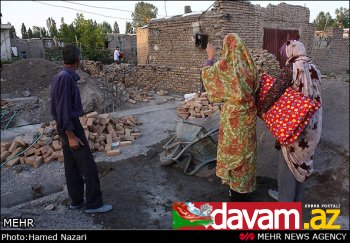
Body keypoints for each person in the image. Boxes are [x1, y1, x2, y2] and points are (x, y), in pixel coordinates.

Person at [50, 44, 112, 213]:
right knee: (88, 166)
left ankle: (76, 200)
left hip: (66, 126)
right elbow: (63, 109)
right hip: (69, 126)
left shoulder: (60, 76)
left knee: (71, 165)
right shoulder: (65, 79)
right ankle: (94, 204)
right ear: (78, 60)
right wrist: (71, 135)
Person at [260, 40, 322, 202]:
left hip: (295, 125)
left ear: (291, 52)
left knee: (288, 165)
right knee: (302, 165)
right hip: (313, 125)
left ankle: (285, 202)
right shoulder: (314, 68)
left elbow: (274, 94)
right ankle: (296, 199)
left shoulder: (291, 69)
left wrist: (262, 107)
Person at [201, 33, 259, 201]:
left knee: (233, 154)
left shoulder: (226, 67)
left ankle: (235, 196)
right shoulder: (250, 66)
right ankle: (244, 189)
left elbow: (207, 75)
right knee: (246, 154)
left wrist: (210, 57)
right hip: (248, 116)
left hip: (233, 118)